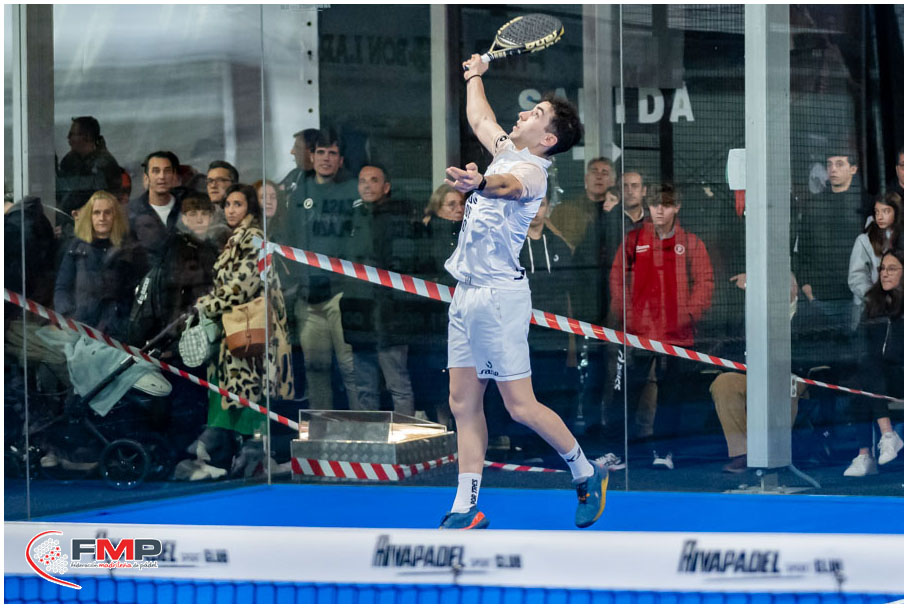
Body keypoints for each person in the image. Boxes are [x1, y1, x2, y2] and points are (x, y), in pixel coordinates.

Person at [438, 54, 605, 530]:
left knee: (519, 406)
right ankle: (466, 506)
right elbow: (480, 118)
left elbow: (506, 186)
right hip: (465, 295)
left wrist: (479, 182)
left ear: (548, 139)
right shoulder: (506, 148)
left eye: (536, 114)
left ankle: (585, 471)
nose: (524, 113)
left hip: (498, 300)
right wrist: (474, 75)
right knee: (462, 403)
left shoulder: (532, 173)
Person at [608, 183, 715, 469]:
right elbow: (618, 280)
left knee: (671, 395)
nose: (659, 211)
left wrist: (688, 315)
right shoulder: (633, 240)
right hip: (638, 334)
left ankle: (665, 451)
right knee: (626, 392)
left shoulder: (691, 243)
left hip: (677, 335)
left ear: (676, 207)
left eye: (665, 205)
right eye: (655, 204)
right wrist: (628, 316)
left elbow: (704, 282)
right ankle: (622, 452)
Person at [193, 184, 295, 474]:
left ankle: (254, 458)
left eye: (237, 204)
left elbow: (242, 286)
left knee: (249, 395)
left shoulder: (252, 237)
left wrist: (206, 305)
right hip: (237, 328)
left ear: (250, 207)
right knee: (237, 396)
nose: (231, 210)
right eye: (227, 204)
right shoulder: (237, 236)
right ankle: (239, 457)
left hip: (250, 331)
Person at [285, 127, 360, 411]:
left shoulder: (353, 189)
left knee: (351, 370)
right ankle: (321, 432)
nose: (326, 158)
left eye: (332, 153)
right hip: (308, 297)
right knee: (316, 370)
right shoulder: (298, 190)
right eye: (320, 152)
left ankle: (362, 430)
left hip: (341, 295)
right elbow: (288, 236)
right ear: (312, 157)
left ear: (340, 160)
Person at [342, 164, 417, 415]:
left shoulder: (398, 219)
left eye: (373, 180)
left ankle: (405, 435)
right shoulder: (352, 218)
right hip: (359, 310)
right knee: (364, 385)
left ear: (386, 187)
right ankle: (368, 436)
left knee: (397, 383)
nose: (367, 185)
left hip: (390, 313)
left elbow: (404, 264)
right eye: (362, 180)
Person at [842, 249, 904, 476]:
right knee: (860, 380)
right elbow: (861, 341)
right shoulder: (874, 303)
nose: (884, 274)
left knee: (866, 374)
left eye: (892, 269)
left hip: (901, 375)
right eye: (882, 269)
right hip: (878, 377)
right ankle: (881, 440)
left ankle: (868, 452)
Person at [54, 191, 145, 341]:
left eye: (107, 213)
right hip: (81, 327)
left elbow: (138, 293)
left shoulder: (130, 249)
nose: (102, 218)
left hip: (117, 331)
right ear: (89, 216)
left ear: (115, 216)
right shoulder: (76, 247)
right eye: (96, 213)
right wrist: (67, 317)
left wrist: (125, 324)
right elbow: (62, 287)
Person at [848, 192, 902, 327]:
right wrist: (875, 297)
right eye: (877, 212)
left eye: (885, 211)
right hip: (870, 310)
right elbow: (856, 276)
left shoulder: (902, 238)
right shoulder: (864, 240)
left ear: (897, 212)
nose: (880, 217)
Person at [127, 151, 185, 266]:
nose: (162, 176)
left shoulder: (186, 208)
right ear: (146, 177)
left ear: (174, 176)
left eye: (167, 171)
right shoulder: (131, 212)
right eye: (156, 171)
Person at [56, 116, 121, 216]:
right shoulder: (69, 161)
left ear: (87, 137)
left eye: (72, 134)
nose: (68, 138)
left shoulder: (105, 164)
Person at [547, 157, 615, 250]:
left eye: (604, 173)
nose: (599, 177)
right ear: (586, 178)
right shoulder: (564, 211)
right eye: (594, 172)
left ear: (613, 181)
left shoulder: (619, 212)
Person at [280, 128, 319, 206]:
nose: (292, 152)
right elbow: (275, 190)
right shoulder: (295, 174)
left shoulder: (323, 179)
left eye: (297, 147)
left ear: (310, 152)